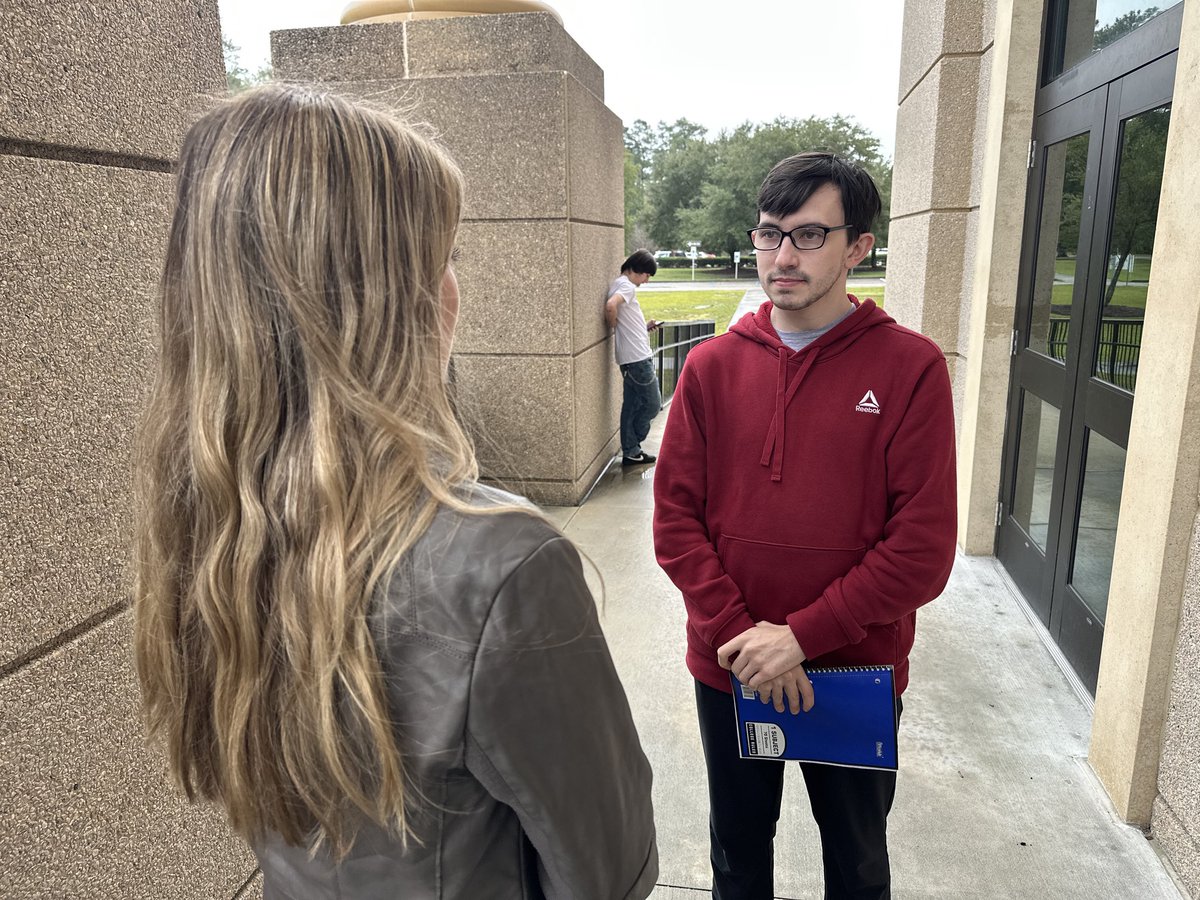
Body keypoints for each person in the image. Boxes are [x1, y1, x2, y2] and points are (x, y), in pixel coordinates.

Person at [132, 84, 657, 899]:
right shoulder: (497, 562)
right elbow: (611, 869)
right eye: (445, 256)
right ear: (389, 302)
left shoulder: (210, 526)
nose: (456, 288)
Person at [652, 151, 957, 899]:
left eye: (809, 236)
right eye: (769, 234)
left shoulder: (910, 367)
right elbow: (675, 524)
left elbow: (920, 552)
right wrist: (747, 638)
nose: (782, 256)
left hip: (853, 672)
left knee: (857, 866)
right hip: (731, 668)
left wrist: (799, 638)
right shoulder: (711, 368)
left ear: (858, 247)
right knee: (738, 857)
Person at [605, 249, 662, 466]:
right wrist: (613, 326)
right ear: (636, 269)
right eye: (646, 275)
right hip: (637, 359)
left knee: (631, 405)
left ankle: (631, 451)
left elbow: (622, 315)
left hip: (631, 358)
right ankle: (632, 443)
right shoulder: (627, 286)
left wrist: (644, 327)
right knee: (652, 404)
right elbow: (611, 306)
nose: (646, 281)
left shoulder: (619, 284)